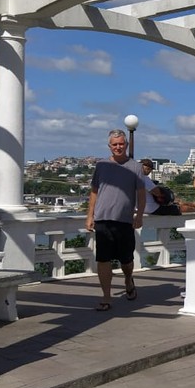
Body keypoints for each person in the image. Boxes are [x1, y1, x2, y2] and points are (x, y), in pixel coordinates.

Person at [85, 129, 147, 311]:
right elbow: (94, 192)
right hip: (103, 219)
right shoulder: (101, 165)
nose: (118, 147)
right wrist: (90, 216)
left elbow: (141, 195)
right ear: (109, 146)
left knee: (126, 260)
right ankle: (106, 297)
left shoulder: (135, 166)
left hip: (125, 220)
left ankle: (128, 280)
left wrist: (140, 215)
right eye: (115, 144)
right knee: (103, 260)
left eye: (121, 144)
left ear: (126, 145)